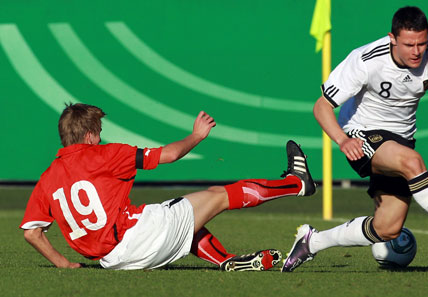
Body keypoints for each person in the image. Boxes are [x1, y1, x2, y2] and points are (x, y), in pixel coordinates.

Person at [281, 6, 428, 272]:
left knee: (387, 228)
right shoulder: (365, 59)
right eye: (408, 44)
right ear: (392, 38)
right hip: (362, 133)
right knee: (413, 162)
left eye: (421, 43)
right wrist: (343, 141)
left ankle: (311, 242)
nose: (416, 51)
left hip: (401, 140)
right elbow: (321, 106)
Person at [20, 103, 316, 271]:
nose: (100, 137)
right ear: (88, 135)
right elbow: (170, 155)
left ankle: (226, 261)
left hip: (114, 261)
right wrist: (197, 136)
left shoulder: (48, 178)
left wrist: (64, 264)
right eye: (98, 132)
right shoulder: (104, 153)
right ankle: (297, 183)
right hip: (139, 235)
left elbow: (31, 232)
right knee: (217, 195)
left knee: (182, 215)